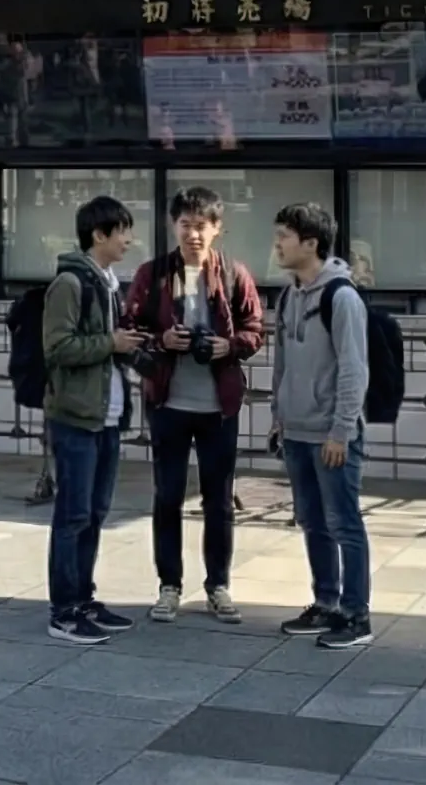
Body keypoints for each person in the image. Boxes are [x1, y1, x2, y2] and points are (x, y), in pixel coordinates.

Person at [126, 185, 264, 625]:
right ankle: (169, 587)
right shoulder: (152, 275)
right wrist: (161, 340)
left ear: (217, 229)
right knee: (167, 496)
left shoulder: (233, 274)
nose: (193, 234)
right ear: (173, 226)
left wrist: (229, 346)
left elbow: (255, 330)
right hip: (168, 401)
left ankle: (218, 586)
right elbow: (129, 328)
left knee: (218, 501)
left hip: (217, 406)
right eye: (185, 225)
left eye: (201, 226)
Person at [41, 195, 145, 646]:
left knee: (96, 513)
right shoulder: (70, 282)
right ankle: (63, 610)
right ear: (99, 235)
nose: (128, 240)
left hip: (107, 416)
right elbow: (58, 348)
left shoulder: (107, 282)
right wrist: (111, 343)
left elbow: (111, 344)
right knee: (73, 515)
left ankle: (84, 599)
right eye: (121, 231)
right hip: (76, 416)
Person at [272, 201, 373, 651]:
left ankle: (356, 615)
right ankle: (325, 602)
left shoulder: (342, 297)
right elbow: (283, 362)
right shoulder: (289, 294)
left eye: (285, 236)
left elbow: (354, 369)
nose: (277, 243)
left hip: (332, 435)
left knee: (344, 524)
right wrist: (280, 417)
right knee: (312, 522)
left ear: (310, 244)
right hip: (296, 430)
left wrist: (341, 431)